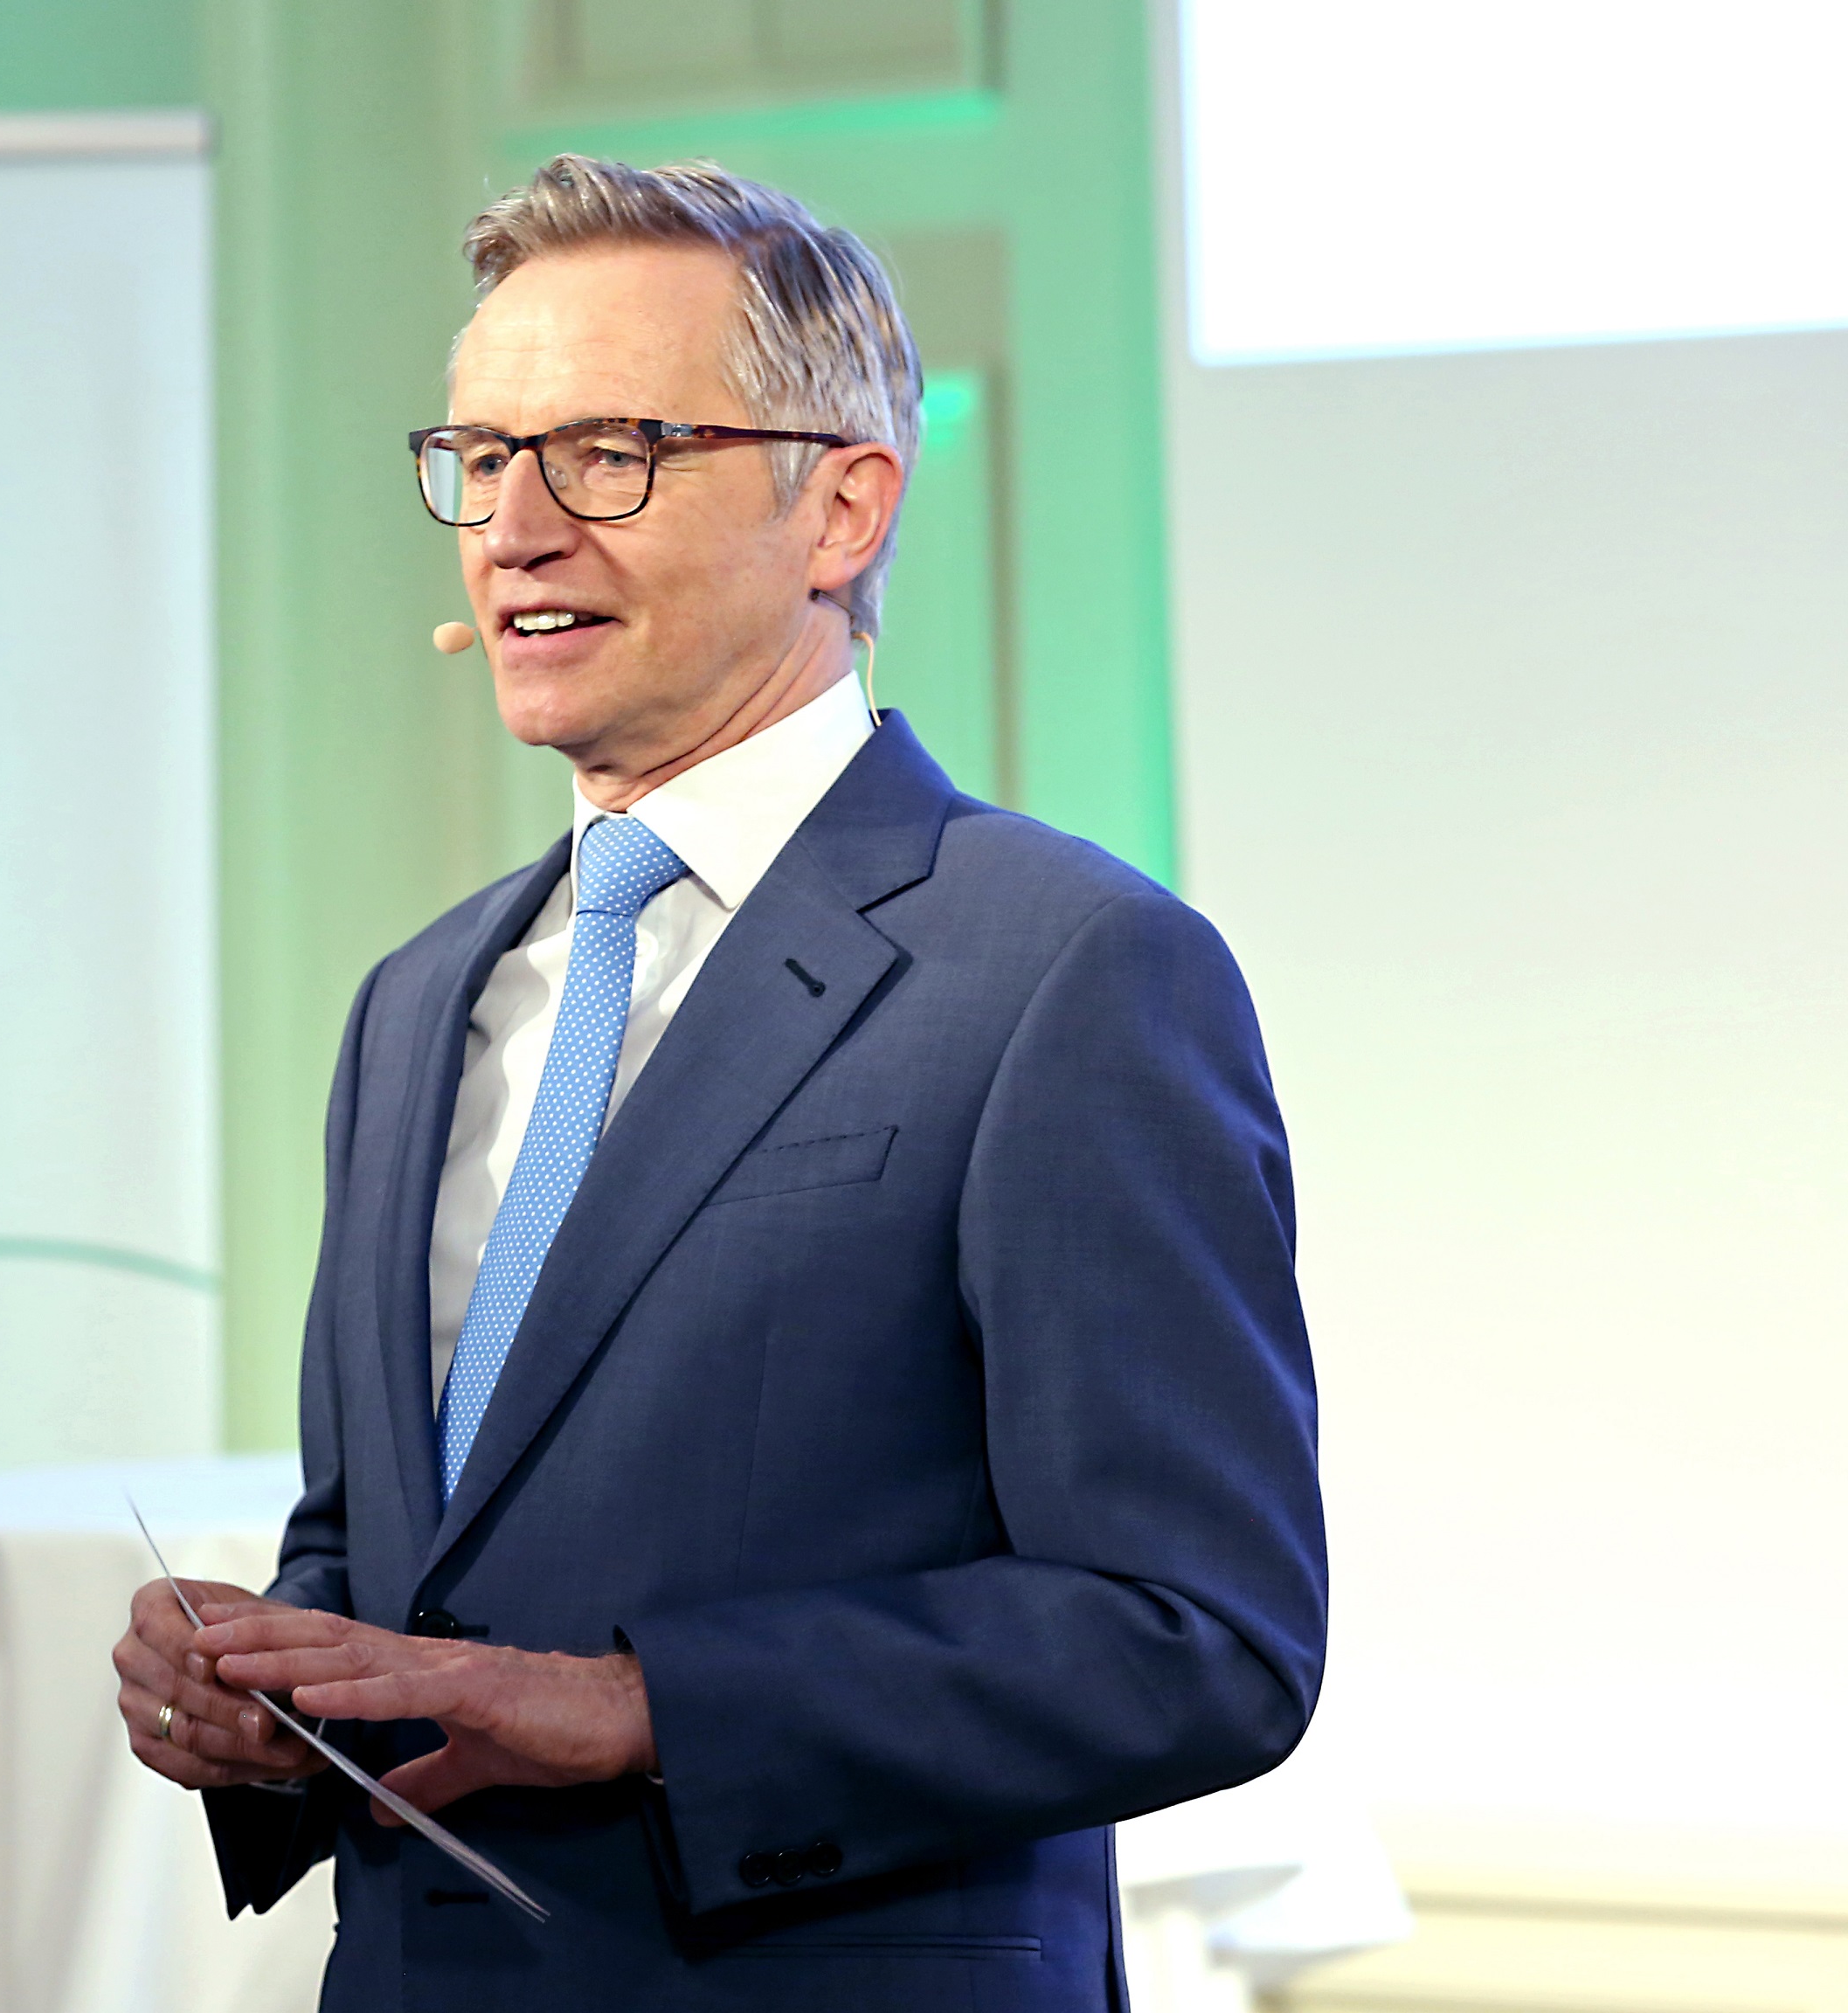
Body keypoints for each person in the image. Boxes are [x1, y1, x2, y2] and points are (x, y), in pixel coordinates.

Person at [111, 155, 1324, 2010]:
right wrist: (275, 1694)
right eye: (480, 459)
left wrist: (640, 1707)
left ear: (841, 506)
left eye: (610, 454)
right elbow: (392, 1558)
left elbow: (1198, 1634)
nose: (517, 528)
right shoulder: (416, 1003)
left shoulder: (1069, 970)